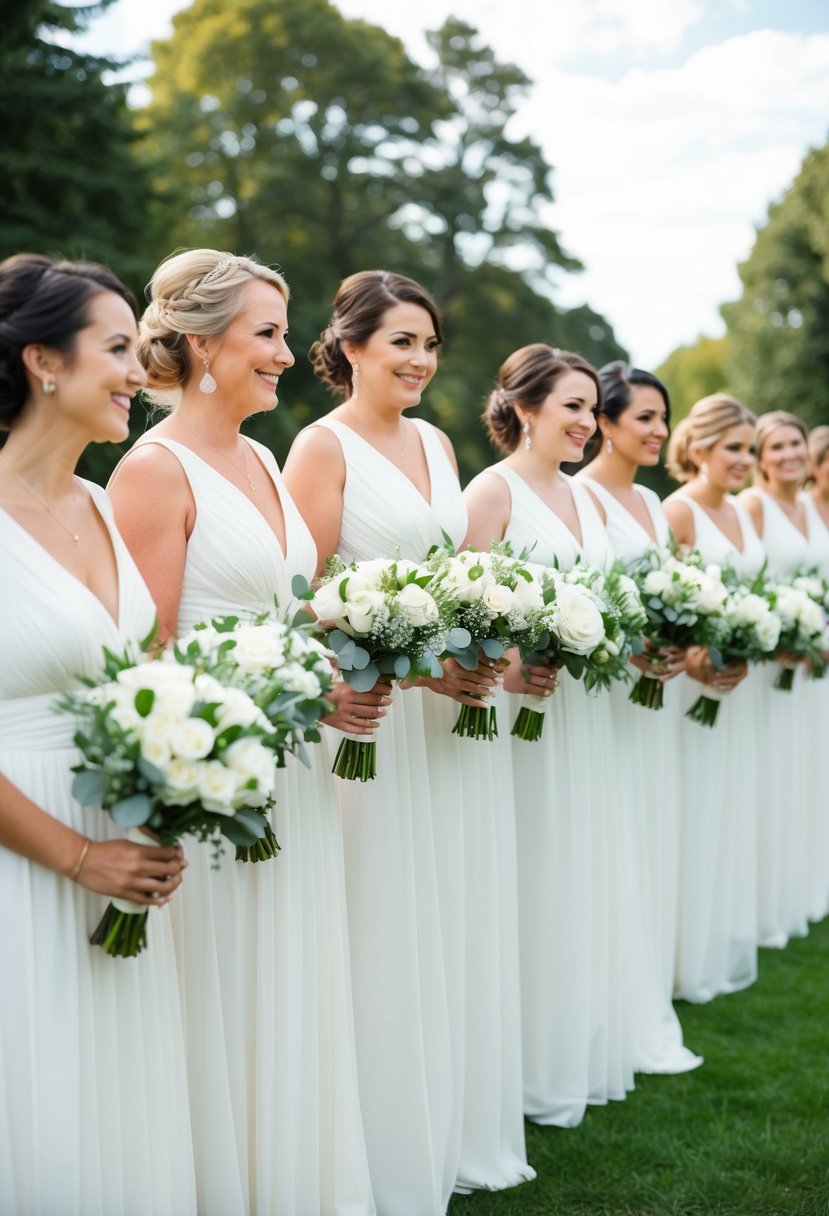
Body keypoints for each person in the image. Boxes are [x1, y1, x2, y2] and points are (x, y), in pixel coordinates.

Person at [108, 249, 375, 1216]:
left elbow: (290, 611)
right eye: (264, 332)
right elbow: (150, 665)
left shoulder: (263, 456)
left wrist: (342, 661)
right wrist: (291, 700)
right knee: (229, 990)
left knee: (291, 984)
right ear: (199, 346)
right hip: (217, 778)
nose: (283, 353)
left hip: (291, 766)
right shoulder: (151, 472)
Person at [283, 270, 533, 1211]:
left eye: (429, 344)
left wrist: (482, 636)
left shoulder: (434, 441)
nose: (421, 361)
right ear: (349, 348)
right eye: (401, 343)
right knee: (375, 917)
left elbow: (461, 571)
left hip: (437, 721)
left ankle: (437, 1118)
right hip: (369, 720)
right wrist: (405, 662)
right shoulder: (319, 446)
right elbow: (298, 597)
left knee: (436, 909)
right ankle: (366, 1140)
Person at [0, 253, 195, 1215]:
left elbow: (143, 672)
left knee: (108, 1102)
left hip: (119, 842)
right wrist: (78, 856)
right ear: (43, 361)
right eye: (117, 349)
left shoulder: (102, 505)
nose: (138, 370)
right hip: (26, 854)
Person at [465, 345, 698, 1131]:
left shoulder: (587, 501)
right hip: (522, 717)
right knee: (535, 871)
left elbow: (607, 599)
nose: (580, 421)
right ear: (524, 408)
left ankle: (579, 1036)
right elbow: (461, 610)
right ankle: (524, 1056)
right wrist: (507, 666)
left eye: (586, 406)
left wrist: (630, 645)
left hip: (582, 713)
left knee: (583, 866)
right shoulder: (490, 492)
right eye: (568, 406)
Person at [577, 363, 700, 1059]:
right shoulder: (581, 497)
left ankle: (636, 983)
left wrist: (676, 647)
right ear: (604, 421)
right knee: (606, 837)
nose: (658, 431)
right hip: (601, 694)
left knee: (644, 833)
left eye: (662, 417)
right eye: (644, 418)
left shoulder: (653, 507)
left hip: (649, 692)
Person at [663, 394, 763, 1001]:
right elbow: (663, 603)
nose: (745, 461)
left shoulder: (742, 515)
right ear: (699, 448)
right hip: (687, 689)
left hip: (731, 685)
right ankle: (677, 952)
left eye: (749, 450)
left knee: (724, 808)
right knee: (689, 811)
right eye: (735, 448)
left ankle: (710, 941)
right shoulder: (678, 512)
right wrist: (696, 654)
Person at [740, 411, 829, 945]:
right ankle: (760, 897)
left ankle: (801, 885)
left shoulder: (811, 508)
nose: (790, 454)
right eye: (776, 447)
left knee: (806, 772)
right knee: (767, 774)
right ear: (759, 457)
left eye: (796, 444)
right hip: (767, 661)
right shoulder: (754, 506)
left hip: (810, 665)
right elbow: (741, 572)